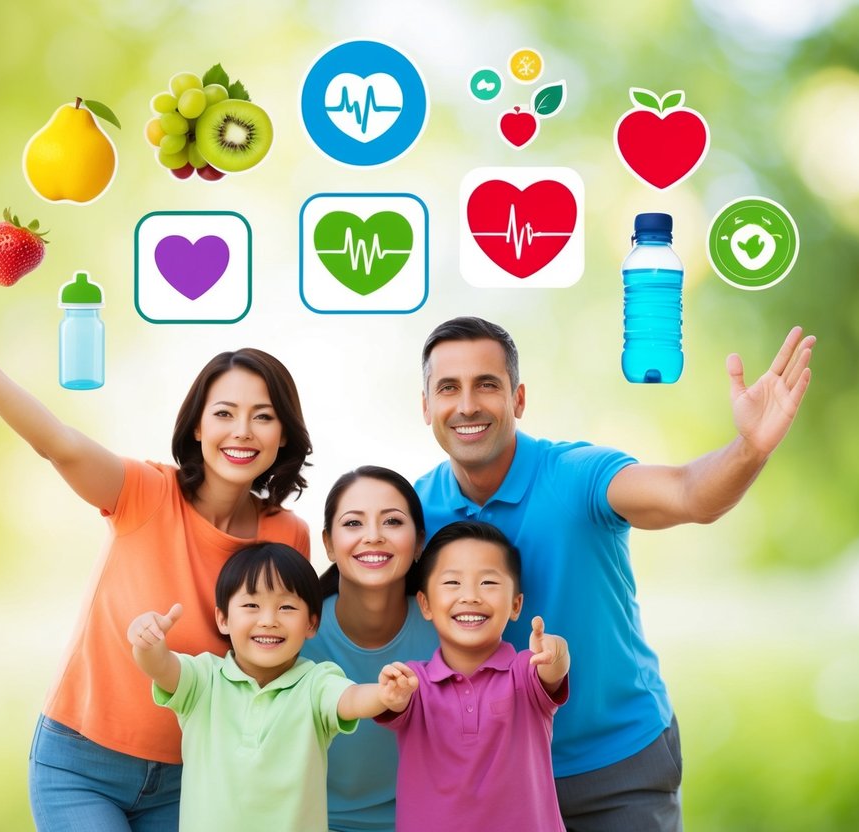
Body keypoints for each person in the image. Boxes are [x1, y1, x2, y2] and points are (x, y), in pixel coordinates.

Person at [0, 268, 313, 831]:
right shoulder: (144, 492)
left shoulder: (289, 536)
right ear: (198, 428)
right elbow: (56, 443)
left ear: (283, 434)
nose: (243, 431)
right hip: (79, 765)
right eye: (225, 414)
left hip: (194, 775)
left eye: (263, 416)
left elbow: (288, 662)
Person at [414, 316, 816, 831]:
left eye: (486, 385)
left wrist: (751, 447)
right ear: (426, 406)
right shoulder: (416, 514)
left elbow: (689, 492)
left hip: (618, 767)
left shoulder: (577, 476)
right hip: (497, 780)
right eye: (448, 388)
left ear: (517, 400)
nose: (467, 404)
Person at [128, 542, 418, 831]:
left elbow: (351, 698)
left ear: (311, 624)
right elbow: (161, 667)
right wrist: (147, 644)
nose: (268, 621)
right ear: (224, 619)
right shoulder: (204, 679)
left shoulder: (315, 683)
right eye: (252, 605)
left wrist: (383, 695)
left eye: (287, 607)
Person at [375, 520, 571, 832]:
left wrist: (556, 653)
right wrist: (389, 693)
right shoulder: (414, 683)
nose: (470, 596)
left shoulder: (525, 673)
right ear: (425, 604)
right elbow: (390, 702)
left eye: (489, 583)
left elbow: (552, 670)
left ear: (516, 605)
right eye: (452, 583)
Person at [299, 467, 439, 831]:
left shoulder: (447, 634)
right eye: (353, 524)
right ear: (328, 543)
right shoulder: (292, 636)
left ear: (419, 542)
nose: (373, 537)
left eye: (392, 521)